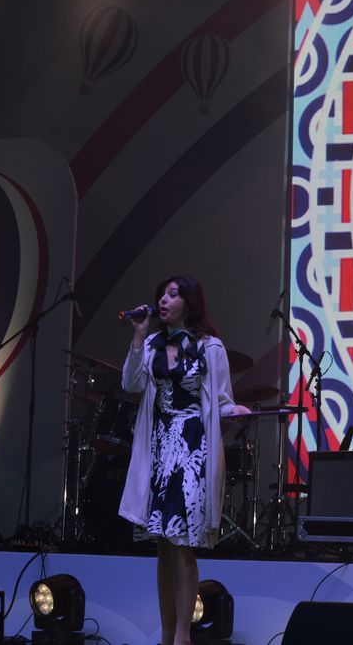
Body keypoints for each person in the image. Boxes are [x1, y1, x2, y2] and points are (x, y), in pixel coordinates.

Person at [119, 275, 250, 645]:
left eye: (172, 294)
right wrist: (138, 336)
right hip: (159, 449)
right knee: (163, 545)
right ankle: (166, 634)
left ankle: (182, 635)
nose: (163, 299)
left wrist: (235, 411)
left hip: (192, 449)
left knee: (181, 542)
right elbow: (131, 384)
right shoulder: (152, 344)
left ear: (189, 303)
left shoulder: (210, 347)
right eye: (161, 294)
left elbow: (222, 400)